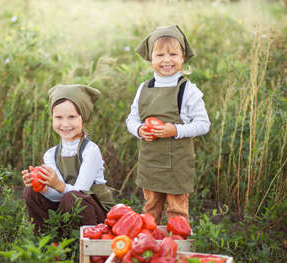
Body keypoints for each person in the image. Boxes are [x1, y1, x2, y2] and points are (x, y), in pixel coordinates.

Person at [126, 25, 210, 223]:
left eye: (173, 54)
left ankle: (177, 246)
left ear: (183, 57)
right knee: (150, 209)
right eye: (160, 54)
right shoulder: (143, 88)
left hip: (177, 165)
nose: (166, 60)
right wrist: (139, 129)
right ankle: (148, 247)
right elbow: (131, 119)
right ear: (151, 58)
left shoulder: (188, 90)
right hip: (151, 163)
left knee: (176, 210)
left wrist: (175, 130)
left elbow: (203, 124)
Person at [22, 84, 115, 233]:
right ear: (52, 118)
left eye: (72, 117)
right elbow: (57, 196)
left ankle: (85, 246)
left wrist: (57, 184)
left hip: (97, 217)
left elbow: (79, 192)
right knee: (31, 192)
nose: (65, 124)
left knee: (72, 198)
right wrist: (42, 187)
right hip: (68, 206)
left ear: (83, 118)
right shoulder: (51, 154)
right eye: (58, 117)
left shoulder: (90, 151)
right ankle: (47, 242)